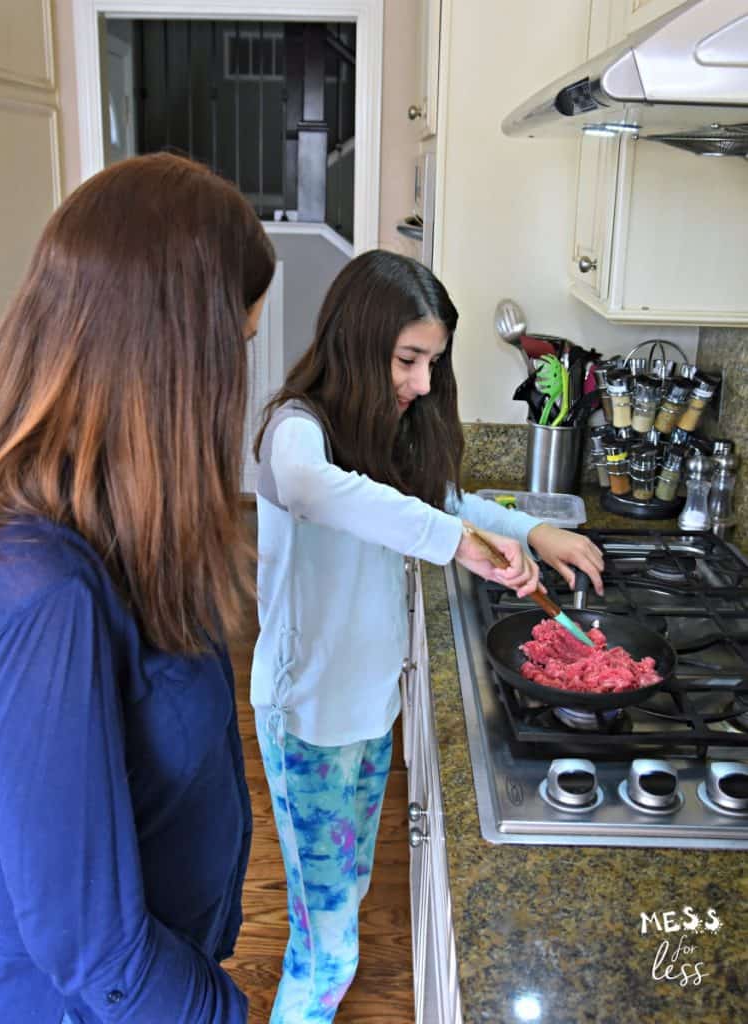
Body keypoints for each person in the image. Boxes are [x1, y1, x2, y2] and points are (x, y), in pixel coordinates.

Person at [250, 249, 604, 1021]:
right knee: (328, 948)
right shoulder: (294, 432)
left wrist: (532, 530)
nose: (419, 383)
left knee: (340, 902)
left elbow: (446, 498)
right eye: (407, 360)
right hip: (305, 714)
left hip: (372, 706)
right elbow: (321, 491)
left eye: (431, 364)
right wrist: (453, 541)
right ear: (354, 342)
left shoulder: (392, 429)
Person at [0, 153, 275, 1024]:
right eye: (238, 349)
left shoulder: (113, 522)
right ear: (176, 364)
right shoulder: (44, 592)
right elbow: (92, 950)